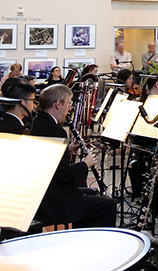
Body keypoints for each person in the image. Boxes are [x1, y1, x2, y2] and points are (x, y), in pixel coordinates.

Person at [33, 84, 117, 228]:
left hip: (44, 191)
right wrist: (85, 164)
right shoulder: (56, 132)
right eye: (69, 103)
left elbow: (50, 161)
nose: (70, 109)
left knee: (92, 193)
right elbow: (63, 176)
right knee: (108, 205)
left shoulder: (38, 123)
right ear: (58, 104)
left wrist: (67, 150)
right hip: (54, 198)